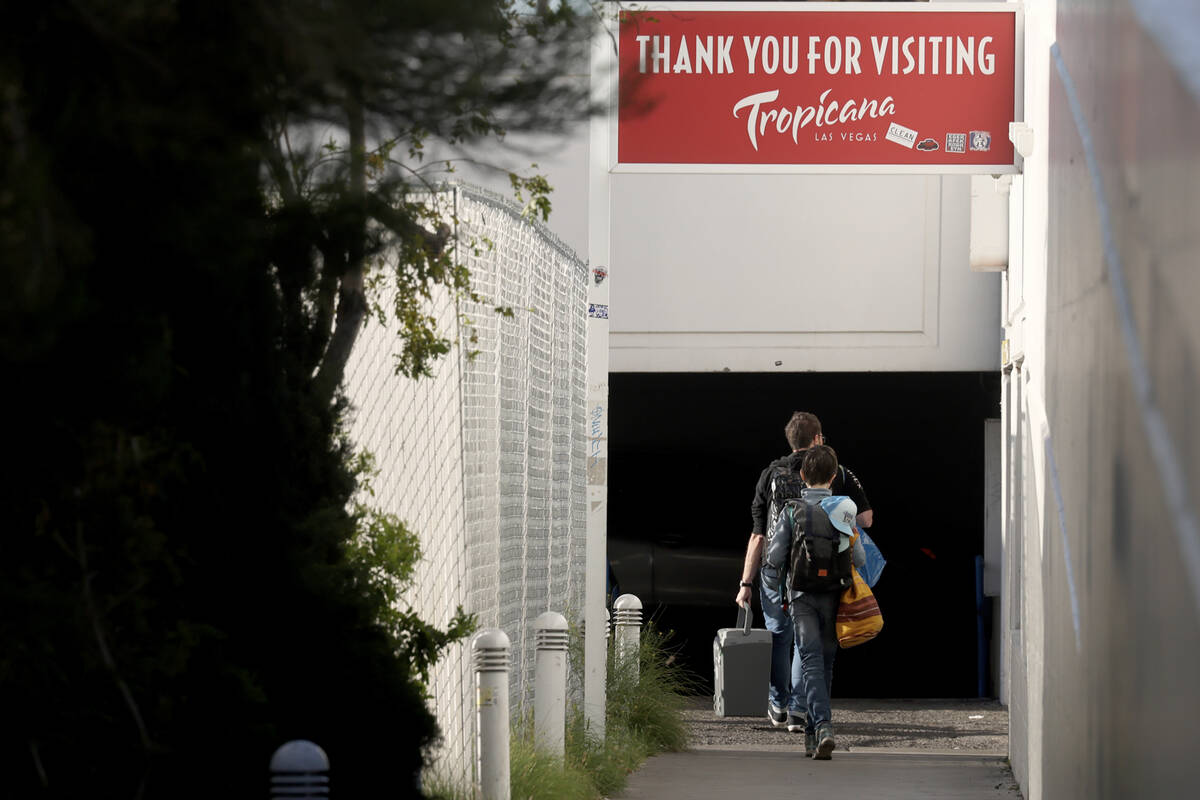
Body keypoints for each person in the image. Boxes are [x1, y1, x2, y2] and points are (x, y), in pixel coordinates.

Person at [734, 412, 872, 733]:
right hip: (825, 575)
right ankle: (800, 710)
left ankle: (779, 703)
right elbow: (865, 520)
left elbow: (759, 536)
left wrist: (747, 582)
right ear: (817, 440)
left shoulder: (770, 474)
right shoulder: (835, 471)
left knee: (780, 635)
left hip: (779, 573)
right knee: (809, 644)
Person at [764, 444, 864, 760]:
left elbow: (774, 558)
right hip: (835, 595)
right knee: (825, 662)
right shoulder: (846, 509)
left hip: (801, 596)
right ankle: (813, 737)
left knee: (809, 661)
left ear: (803, 476)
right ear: (834, 477)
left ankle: (822, 726)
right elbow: (859, 558)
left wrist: (771, 588)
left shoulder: (791, 511)